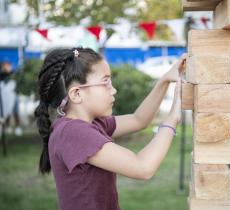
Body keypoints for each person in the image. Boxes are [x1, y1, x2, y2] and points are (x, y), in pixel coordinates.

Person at [34, 47, 186, 210]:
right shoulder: (73, 133)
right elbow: (143, 167)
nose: (113, 90)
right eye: (105, 82)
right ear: (77, 94)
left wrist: (164, 80)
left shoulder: (89, 124)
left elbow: (139, 120)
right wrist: (172, 118)